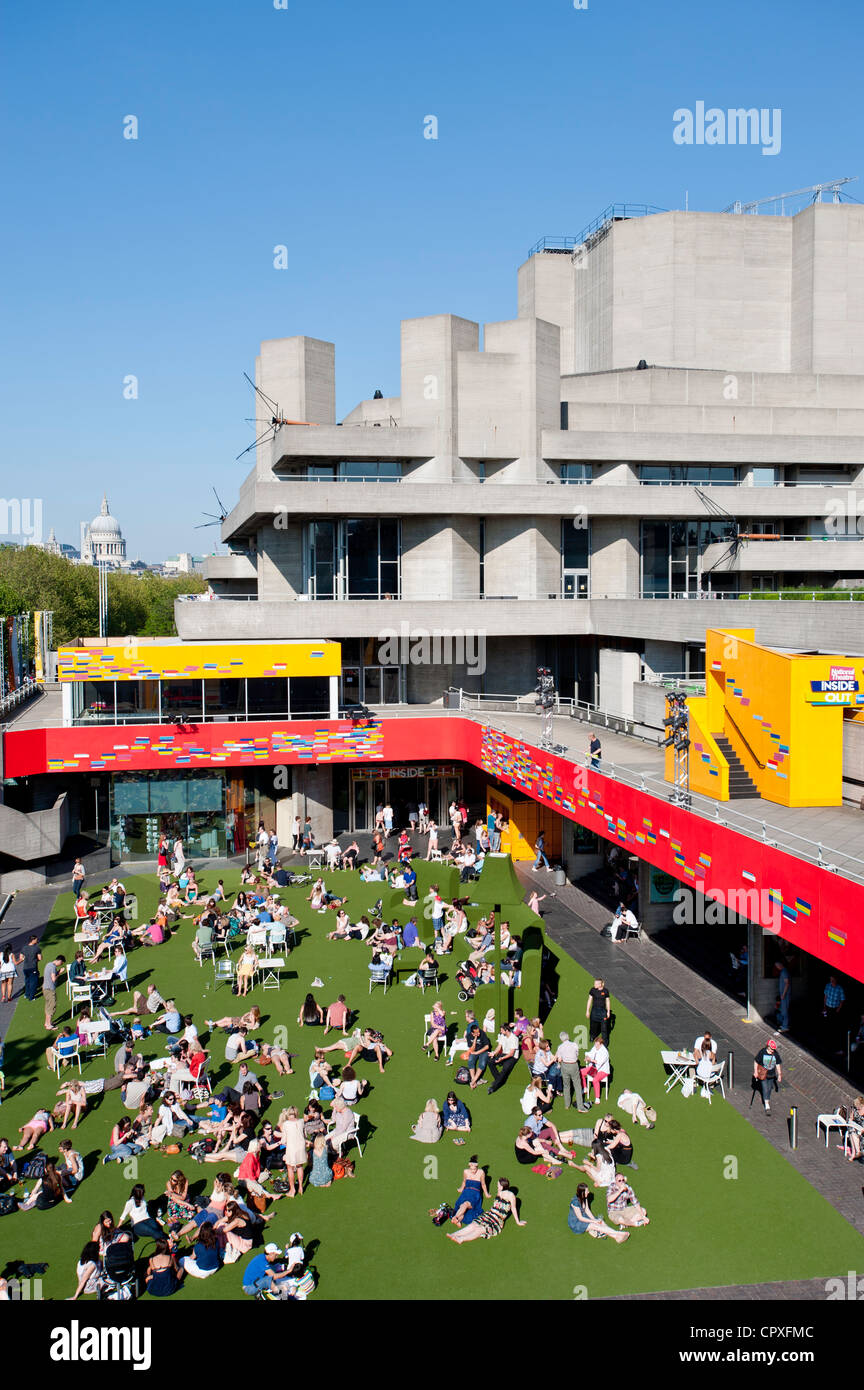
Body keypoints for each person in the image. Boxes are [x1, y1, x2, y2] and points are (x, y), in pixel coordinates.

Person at [446, 1178, 525, 1243]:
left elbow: (513, 1208)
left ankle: (461, 1239)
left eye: (498, 1185)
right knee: (474, 1224)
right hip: (490, 1214)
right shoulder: (499, 1192)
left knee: (480, 1229)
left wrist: (518, 1222)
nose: (497, 1186)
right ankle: (455, 1234)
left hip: (497, 1219)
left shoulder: (511, 1195)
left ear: (502, 1186)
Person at [452, 1156, 490, 1226]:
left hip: (475, 1194)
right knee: (463, 1205)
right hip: (466, 1192)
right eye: (471, 1169)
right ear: (469, 1167)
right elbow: (464, 1181)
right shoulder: (465, 1171)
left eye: (474, 1169)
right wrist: (461, 1188)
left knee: (465, 1204)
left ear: (477, 1167)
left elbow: (483, 1184)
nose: (473, 1171)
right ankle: (458, 1220)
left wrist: (486, 1194)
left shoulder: (481, 1172)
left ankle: (456, 1217)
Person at [279, 1106, 307, 1197]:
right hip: (301, 1146)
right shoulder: (301, 1121)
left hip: (292, 1147)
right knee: (299, 1166)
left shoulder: (286, 1124)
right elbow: (305, 1135)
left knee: (290, 1168)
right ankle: (300, 1187)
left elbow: (284, 1140)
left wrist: (281, 1142)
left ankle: (292, 1190)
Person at [556, 1032, 587, 1112]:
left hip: (565, 1066)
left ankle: (567, 1104)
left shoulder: (560, 1047)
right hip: (574, 1065)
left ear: (561, 1039)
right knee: (577, 1085)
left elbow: (559, 1059)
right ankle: (580, 1106)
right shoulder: (574, 1045)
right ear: (568, 1037)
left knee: (566, 1085)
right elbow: (576, 1055)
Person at [486, 1023, 521, 1094]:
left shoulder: (514, 1038)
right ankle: (499, 1080)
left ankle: (493, 1087)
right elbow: (499, 1047)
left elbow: (511, 1054)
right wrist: (494, 1053)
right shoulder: (502, 1036)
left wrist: (502, 1059)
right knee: (490, 1062)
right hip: (504, 1053)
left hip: (512, 1057)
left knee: (505, 1069)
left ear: (506, 1030)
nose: (500, 1031)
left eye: (502, 1030)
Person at [753, 1038, 782, 1113]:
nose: (773, 1050)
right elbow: (756, 1061)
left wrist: (779, 1074)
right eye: (772, 1049)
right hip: (763, 1075)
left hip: (772, 1075)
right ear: (768, 1047)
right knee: (765, 1088)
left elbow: (778, 1064)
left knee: (769, 1089)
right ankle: (767, 1104)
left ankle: (767, 1099)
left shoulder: (775, 1054)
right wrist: (756, 1072)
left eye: (774, 1049)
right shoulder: (762, 1052)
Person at [581, 1036, 611, 1105]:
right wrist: (588, 1057)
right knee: (581, 1072)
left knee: (595, 1080)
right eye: (595, 1044)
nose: (595, 1046)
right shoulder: (595, 1047)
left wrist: (590, 1060)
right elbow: (591, 1053)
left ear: (601, 1044)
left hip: (602, 1071)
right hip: (594, 1068)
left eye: (597, 1045)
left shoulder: (605, 1052)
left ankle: (597, 1097)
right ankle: (585, 1088)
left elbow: (599, 1063)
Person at [42, 955, 66, 1031]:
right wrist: (60, 973)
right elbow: (53, 979)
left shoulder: (48, 964)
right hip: (50, 989)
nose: (60, 964)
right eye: (61, 963)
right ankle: (48, 1024)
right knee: (52, 1006)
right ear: (60, 961)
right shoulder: (53, 967)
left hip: (45, 988)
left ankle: (47, 1022)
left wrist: (58, 972)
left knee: (48, 1005)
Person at [586, 978, 611, 1047]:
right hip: (594, 1010)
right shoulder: (592, 990)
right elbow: (589, 1000)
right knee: (593, 1026)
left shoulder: (605, 991)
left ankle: (605, 1042)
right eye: (594, 983)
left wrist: (608, 1011)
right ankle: (592, 1036)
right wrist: (587, 1011)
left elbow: (608, 1001)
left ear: (601, 984)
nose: (594, 985)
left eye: (596, 984)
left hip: (603, 1011)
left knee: (604, 1028)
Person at [20, 935, 42, 1003]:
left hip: (25, 968)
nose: (37, 941)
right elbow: (40, 958)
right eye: (36, 939)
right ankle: (31, 997)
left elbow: (21, 958)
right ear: (33, 940)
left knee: (27, 981)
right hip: (33, 967)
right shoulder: (37, 948)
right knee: (33, 982)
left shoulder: (24, 948)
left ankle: (27, 994)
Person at [775, 959, 791, 1033]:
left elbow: (787, 983)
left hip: (785, 995)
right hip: (784, 995)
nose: (777, 967)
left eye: (777, 966)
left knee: (784, 1011)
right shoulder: (784, 971)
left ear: (780, 965)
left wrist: (783, 995)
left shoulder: (784, 972)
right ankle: (784, 1025)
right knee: (783, 1010)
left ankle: (785, 1027)